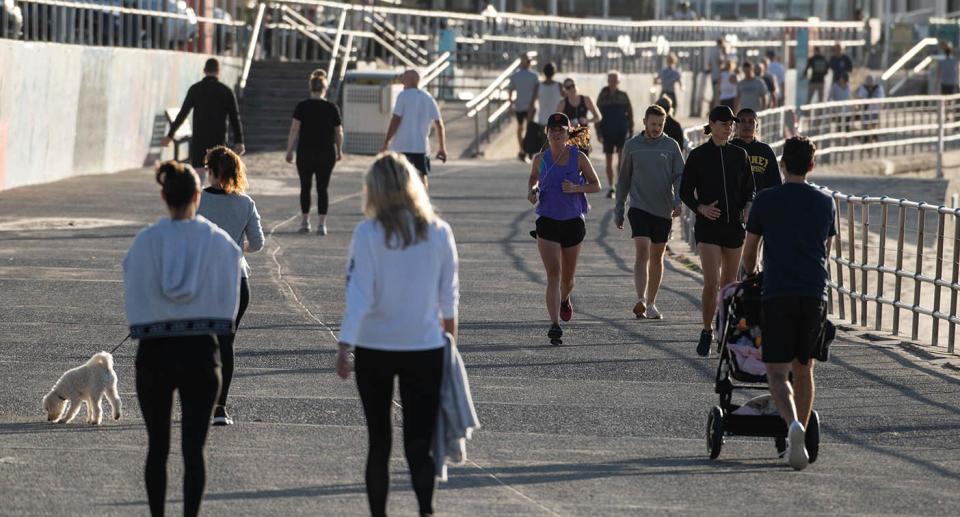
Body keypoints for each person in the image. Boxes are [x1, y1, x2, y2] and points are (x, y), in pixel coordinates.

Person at [336, 152, 459, 517]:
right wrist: (451, 343)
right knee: (419, 442)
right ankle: (425, 510)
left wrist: (345, 345)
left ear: (374, 190)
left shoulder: (368, 233)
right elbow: (448, 297)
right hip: (425, 347)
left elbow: (358, 292)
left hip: (375, 348)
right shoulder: (438, 231)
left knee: (379, 442)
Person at [123, 161, 242, 517]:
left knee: (157, 448)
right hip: (201, 353)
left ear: (163, 196)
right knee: (195, 450)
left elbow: (133, 297)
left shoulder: (145, 242)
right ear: (196, 196)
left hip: (154, 353)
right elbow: (229, 311)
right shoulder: (219, 242)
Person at [741, 136, 835, 471]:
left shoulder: (766, 200)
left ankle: (792, 425)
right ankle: (802, 431)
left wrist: (750, 275)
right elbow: (825, 253)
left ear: (781, 164)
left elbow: (750, 253)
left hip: (778, 291)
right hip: (813, 293)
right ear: (811, 165)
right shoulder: (826, 202)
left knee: (777, 373)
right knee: (804, 366)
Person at [679, 106, 755, 356]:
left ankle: (725, 329)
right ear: (711, 124)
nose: (729, 127)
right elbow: (685, 192)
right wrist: (700, 208)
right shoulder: (699, 155)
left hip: (734, 226)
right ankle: (706, 329)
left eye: (731, 123)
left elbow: (749, 190)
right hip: (708, 227)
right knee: (711, 282)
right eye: (724, 123)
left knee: (729, 284)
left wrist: (747, 206)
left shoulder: (739, 154)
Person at [197, 146, 264, 427]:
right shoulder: (245, 203)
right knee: (226, 345)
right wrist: (240, 247)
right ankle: (220, 408)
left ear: (209, 170)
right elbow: (258, 243)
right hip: (237, 282)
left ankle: (199, 401)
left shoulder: (197, 199)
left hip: (203, 282)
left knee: (200, 344)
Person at [527, 113, 602, 344]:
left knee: (567, 280)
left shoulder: (578, 157)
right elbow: (533, 179)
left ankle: (563, 299)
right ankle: (554, 325)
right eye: (553, 130)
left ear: (568, 132)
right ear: (547, 133)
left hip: (572, 221)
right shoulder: (540, 158)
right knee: (553, 274)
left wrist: (576, 189)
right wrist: (533, 191)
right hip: (547, 220)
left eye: (561, 130)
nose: (557, 133)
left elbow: (596, 186)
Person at [614, 105, 684, 320]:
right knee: (642, 250)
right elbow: (624, 179)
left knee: (657, 255)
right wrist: (619, 210)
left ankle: (652, 302)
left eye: (660, 125)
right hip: (638, 207)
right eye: (653, 124)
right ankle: (640, 299)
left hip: (663, 209)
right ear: (644, 122)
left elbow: (680, 176)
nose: (656, 128)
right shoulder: (632, 146)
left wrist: (677, 200)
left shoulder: (671, 146)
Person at [285, 71, 344, 235]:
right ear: (324, 89)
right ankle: (321, 224)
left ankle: (305, 221)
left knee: (305, 187)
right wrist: (339, 150)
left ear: (310, 88)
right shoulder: (332, 108)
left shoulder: (302, 106)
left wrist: (289, 150)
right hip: (326, 152)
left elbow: (294, 129)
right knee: (322, 188)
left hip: (305, 152)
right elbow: (339, 132)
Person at [161, 58, 245, 170]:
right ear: (218, 71)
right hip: (218, 140)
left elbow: (183, 114)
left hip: (199, 140)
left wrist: (170, 135)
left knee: (199, 175)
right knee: (216, 176)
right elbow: (235, 118)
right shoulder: (226, 91)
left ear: (204, 70)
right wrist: (239, 141)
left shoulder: (195, 89)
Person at [382, 69, 448, 190]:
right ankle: (422, 204)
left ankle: (399, 204)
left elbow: (395, 120)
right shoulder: (428, 98)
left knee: (397, 178)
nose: (402, 82)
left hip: (400, 146)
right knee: (422, 177)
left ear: (410, 80)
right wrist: (442, 148)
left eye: (404, 79)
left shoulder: (403, 96)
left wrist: (387, 141)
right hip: (420, 147)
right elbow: (439, 124)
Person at [596, 71, 634, 198]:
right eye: (610, 80)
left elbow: (630, 114)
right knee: (609, 160)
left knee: (621, 160)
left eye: (615, 80)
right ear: (608, 81)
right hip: (607, 131)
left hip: (621, 130)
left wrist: (631, 130)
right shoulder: (602, 95)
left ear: (618, 82)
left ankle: (620, 185)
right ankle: (611, 186)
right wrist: (598, 132)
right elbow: (597, 114)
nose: (612, 82)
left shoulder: (623, 96)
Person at [730, 108, 782, 193]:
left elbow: (775, 183)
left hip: (761, 203)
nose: (747, 125)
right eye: (742, 121)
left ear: (757, 125)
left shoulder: (765, 150)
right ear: (736, 125)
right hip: (735, 204)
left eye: (751, 121)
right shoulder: (729, 148)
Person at [508, 53, 540, 162]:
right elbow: (511, 90)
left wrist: (535, 103)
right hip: (520, 106)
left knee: (530, 129)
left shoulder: (534, 75)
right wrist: (511, 104)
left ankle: (529, 150)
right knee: (520, 127)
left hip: (531, 106)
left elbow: (537, 91)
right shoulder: (515, 75)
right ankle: (522, 150)